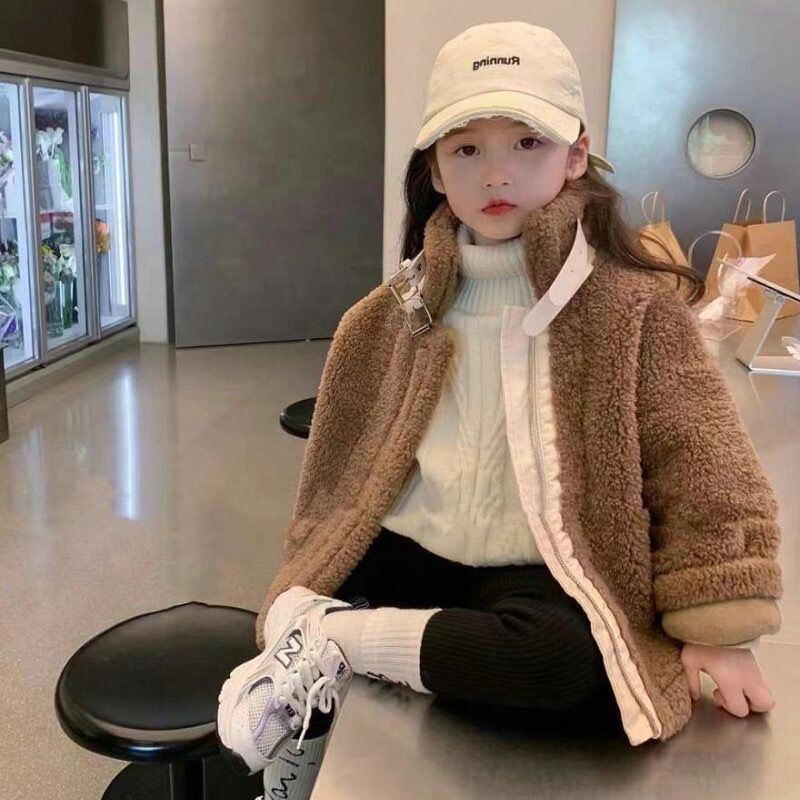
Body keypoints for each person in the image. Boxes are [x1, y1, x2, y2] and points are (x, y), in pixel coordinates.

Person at [216, 21, 783, 800]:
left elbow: (704, 465)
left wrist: (719, 626)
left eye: (526, 142)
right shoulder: (386, 315)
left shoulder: (633, 309)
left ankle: (333, 641)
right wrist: (313, 560)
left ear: (576, 154)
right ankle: (341, 641)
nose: (496, 173)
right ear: (435, 168)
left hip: (538, 571)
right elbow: (338, 471)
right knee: (318, 584)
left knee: (574, 664)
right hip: (414, 552)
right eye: (466, 149)